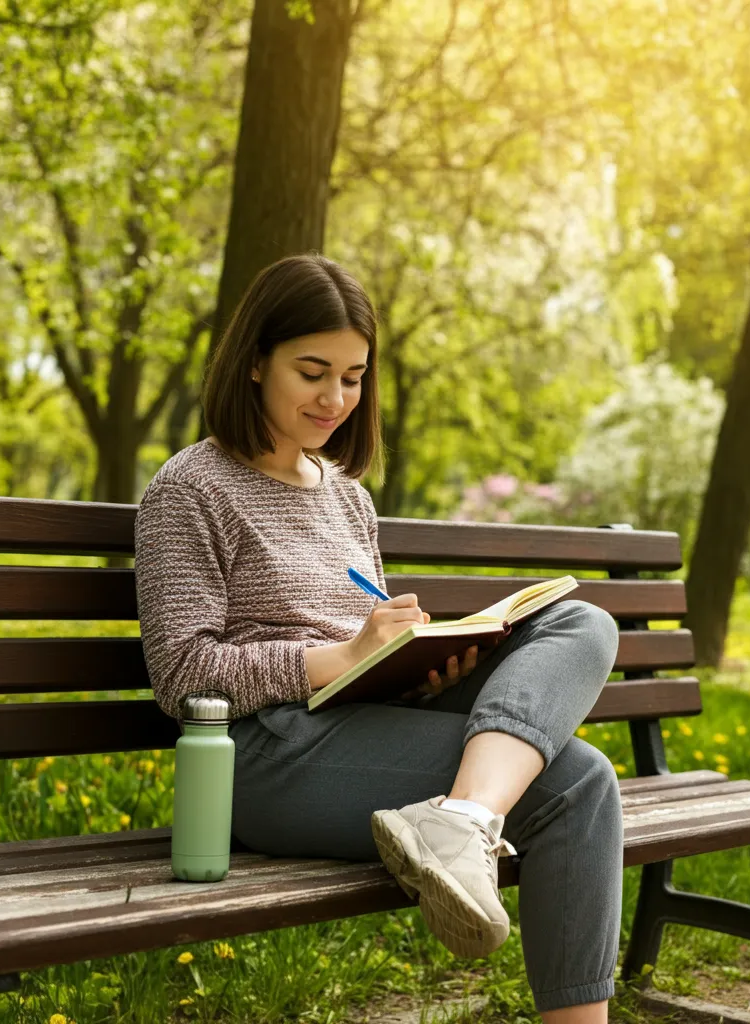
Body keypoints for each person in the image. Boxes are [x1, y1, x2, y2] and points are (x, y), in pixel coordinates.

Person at [133, 252, 624, 1022]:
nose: (336, 398)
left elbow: (363, 645)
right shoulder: (189, 491)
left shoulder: (348, 499)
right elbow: (183, 673)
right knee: (577, 783)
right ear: (255, 362)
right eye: (313, 371)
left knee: (580, 621)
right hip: (261, 756)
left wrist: (414, 664)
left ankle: (461, 821)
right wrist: (345, 655)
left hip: (357, 723)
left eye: (354, 377)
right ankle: (464, 822)